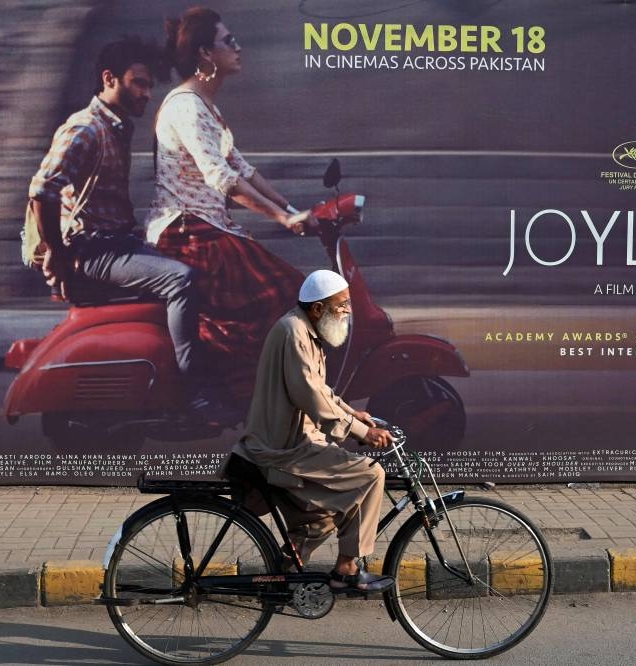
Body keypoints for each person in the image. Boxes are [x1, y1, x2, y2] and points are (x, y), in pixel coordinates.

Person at [28, 37, 229, 423]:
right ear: (109, 79)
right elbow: (42, 189)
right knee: (181, 280)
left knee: (205, 260)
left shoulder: (115, 127)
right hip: (95, 252)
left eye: (150, 85)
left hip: (117, 243)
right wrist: (58, 251)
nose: (147, 94)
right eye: (138, 82)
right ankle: (196, 394)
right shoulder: (86, 129)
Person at [146, 6, 307, 404]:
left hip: (207, 228)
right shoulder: (185, 106)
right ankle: (230, 391)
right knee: (282, 292)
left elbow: (244, 169)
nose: (239, 48)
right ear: (205, 54)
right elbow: (224, 180)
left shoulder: (207, 108)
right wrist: (283, 218)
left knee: (290, 292)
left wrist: (296, 208)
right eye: (229, 41)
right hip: (186, 231)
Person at [223, 270, 396, 592]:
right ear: (318, 308)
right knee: (371, 474)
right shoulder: (294, 332)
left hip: (296, 443)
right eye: (341, 304)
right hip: (284, 449)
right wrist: (360, 432)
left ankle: (283, 579)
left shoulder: (306, 331)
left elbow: (321, 390)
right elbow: (309, 394)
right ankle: (346, 569)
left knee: (321, 518)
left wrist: (352, 412)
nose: (347, 310)